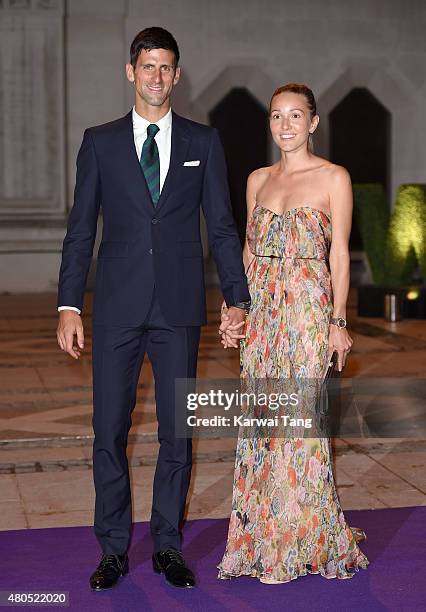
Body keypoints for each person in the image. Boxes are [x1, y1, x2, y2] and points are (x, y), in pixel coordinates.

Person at [56, 27, 250, 591]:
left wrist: (236, 297)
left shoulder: (203, 142)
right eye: (148, 66)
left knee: (177, 435)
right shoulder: (99, 142)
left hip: (179, 310)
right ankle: (113, 549)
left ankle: (168, 546)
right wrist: (70, 303)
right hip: (116, 307)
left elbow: (220, 226)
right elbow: (79, 232)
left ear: (176, 76)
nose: (157, 77)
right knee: (108, 431)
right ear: (130, 71)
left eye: (166, 67)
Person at [217, 83, 369, 583]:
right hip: (262, 312)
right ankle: (260, 536)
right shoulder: (257, 179)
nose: (285, 125)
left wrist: (338, 321)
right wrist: (233, 308)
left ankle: (303, 536)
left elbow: (340, 255)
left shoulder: (334, 177)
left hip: (306, 310)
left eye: (295, 116)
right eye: (277, 116)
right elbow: (246, 251)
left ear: (313, 122)